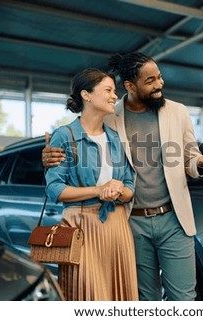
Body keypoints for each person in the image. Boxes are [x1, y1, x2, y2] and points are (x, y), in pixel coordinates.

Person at [43, 52, 203, 301]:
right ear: (130, 85)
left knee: (183, 298)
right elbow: (82, 141)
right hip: (131, 222)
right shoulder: (111, 116)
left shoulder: (177, 112)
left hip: (174, 219)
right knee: (142, 298)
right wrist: (48, 156)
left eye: (159, 77)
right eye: (150, 80)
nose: (159, 84)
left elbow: (189, 159)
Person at [45, 68, 138, 301]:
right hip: (81, 227)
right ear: (86, 95)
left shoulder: (115, 138)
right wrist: (99, 190)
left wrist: (118, 191)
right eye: (108, 90)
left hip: (117, 226)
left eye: (114, 91)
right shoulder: (64, 136)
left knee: (120, 296)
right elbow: (55, 189)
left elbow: (129, 186)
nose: (114, 95)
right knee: (86, 295)